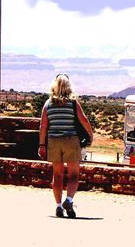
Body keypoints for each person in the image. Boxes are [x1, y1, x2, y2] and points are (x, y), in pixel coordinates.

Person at [37, 74, 93, 218]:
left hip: (53, 141)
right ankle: (69, 200)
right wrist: (90, 135)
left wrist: (42, 144)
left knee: (57, 175)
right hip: (71, 140)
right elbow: (84, 120)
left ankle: (58, 206)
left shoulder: (48, 104)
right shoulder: (73, 103)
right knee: (74, 174)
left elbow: (43, 126)